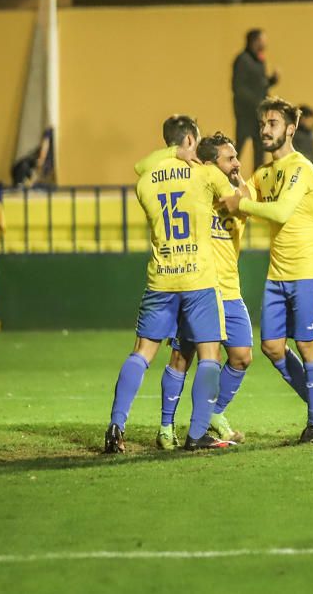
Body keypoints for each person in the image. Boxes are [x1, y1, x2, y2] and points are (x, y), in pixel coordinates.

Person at [104, 116, 238, 453]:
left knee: (142, 354)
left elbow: (142, 165)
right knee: (210, 354)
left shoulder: (146, 181)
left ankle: (116, 426)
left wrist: (170, 155)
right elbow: (235, 202)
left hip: (161, 279)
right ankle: (196, 435)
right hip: (198, 279)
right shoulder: (205, 174)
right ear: (192, 139)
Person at [226, 97, 313, 444]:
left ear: (290, 129)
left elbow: (279, 213)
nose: (265, 130)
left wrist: (242, 203)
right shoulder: (264, 173)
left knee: (308, 346)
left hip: (309, 270)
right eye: (263, 124)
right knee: (271, 346)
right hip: (278, 275)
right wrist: (226, 179)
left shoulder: (300, 167)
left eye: (273, 124)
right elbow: (240, 194)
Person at [135, 133, 254, 449]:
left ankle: (212, 414)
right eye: (229, 158)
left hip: (229, 291)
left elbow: (248, 204)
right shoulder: (192, 190)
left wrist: (234, 175)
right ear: (211, 163)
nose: (236, 163)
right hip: (197, 288)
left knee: (242, 357)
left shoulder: (237, 195)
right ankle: (166, 427)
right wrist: (180, 154)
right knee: (180, 357)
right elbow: (148, 173)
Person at [233, 28, 280, 172]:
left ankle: (258, 179)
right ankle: (228, 178)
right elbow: (239, 87)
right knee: (238, 146)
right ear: (254, 41)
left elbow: (260, 84)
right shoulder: (243, 60)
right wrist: (257, 102)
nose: (265, 43)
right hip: (245, 113)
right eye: (262, 39)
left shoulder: (259, 60)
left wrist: (272, 80)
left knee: (260, 147)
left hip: (259, 113)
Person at [293, 105, 313, 176]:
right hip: (299, 170)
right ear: (303, 119)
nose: (312, 123)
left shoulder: (310, 133)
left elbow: (312, 152)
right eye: (310, 120)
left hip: (310, 168)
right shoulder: (294, 133)